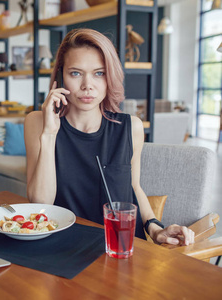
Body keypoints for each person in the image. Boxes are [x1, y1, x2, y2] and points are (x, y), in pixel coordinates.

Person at [24, 28, 194, 246]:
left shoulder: (130, 127)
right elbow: (40, 202)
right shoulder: (37, 123)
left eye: (99, 73)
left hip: (118, 247)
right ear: (60, 76)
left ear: (109, 77)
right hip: (61, 246)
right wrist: (49, 134)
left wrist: (154, 227)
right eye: (76, 73)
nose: (87, 86)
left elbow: (133, 187)